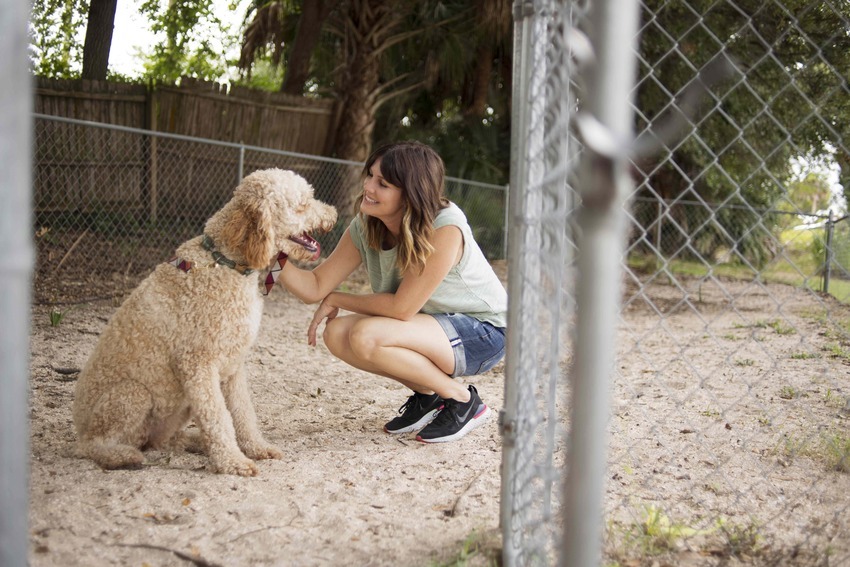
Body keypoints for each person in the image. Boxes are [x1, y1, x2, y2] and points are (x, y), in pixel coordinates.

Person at [278, 141, 507, 443]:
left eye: (382, 183)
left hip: (483, 332)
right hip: (433, 328)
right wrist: (270, 257)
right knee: (336, 334)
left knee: (366, 335)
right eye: (370, 176)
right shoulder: (366, 225)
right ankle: (429, 397)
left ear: (411, 193)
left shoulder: (444, 227)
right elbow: (315, 286)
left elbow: (402, 309)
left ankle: (463, 400)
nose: (368, 187)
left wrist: (337, 298)